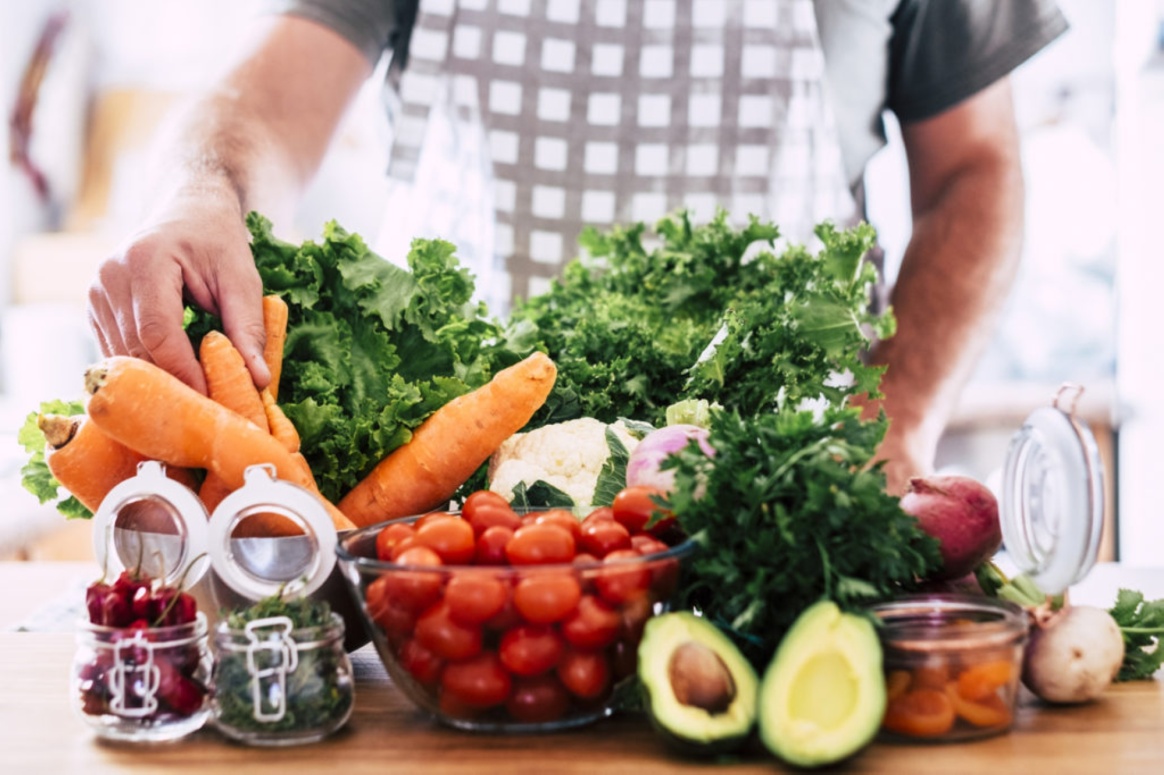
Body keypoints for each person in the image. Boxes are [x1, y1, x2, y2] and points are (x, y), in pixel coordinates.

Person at [86, 0, 1067, 494]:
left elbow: (973, 167)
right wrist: (198, 191)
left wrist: (891, 425)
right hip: (461, 516)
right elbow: (270, 101)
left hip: (783, 491)